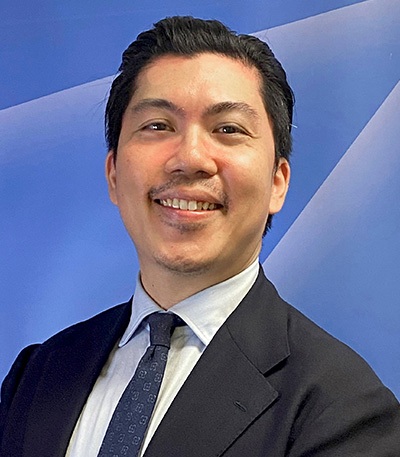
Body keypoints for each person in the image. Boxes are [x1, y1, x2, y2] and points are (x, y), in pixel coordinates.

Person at [0, 16, 399, 457]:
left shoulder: (341, 408)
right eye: (158, 126)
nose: (190, 158)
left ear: (277, 182)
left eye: (228, 129)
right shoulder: (38, 375)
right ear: (113, 175)